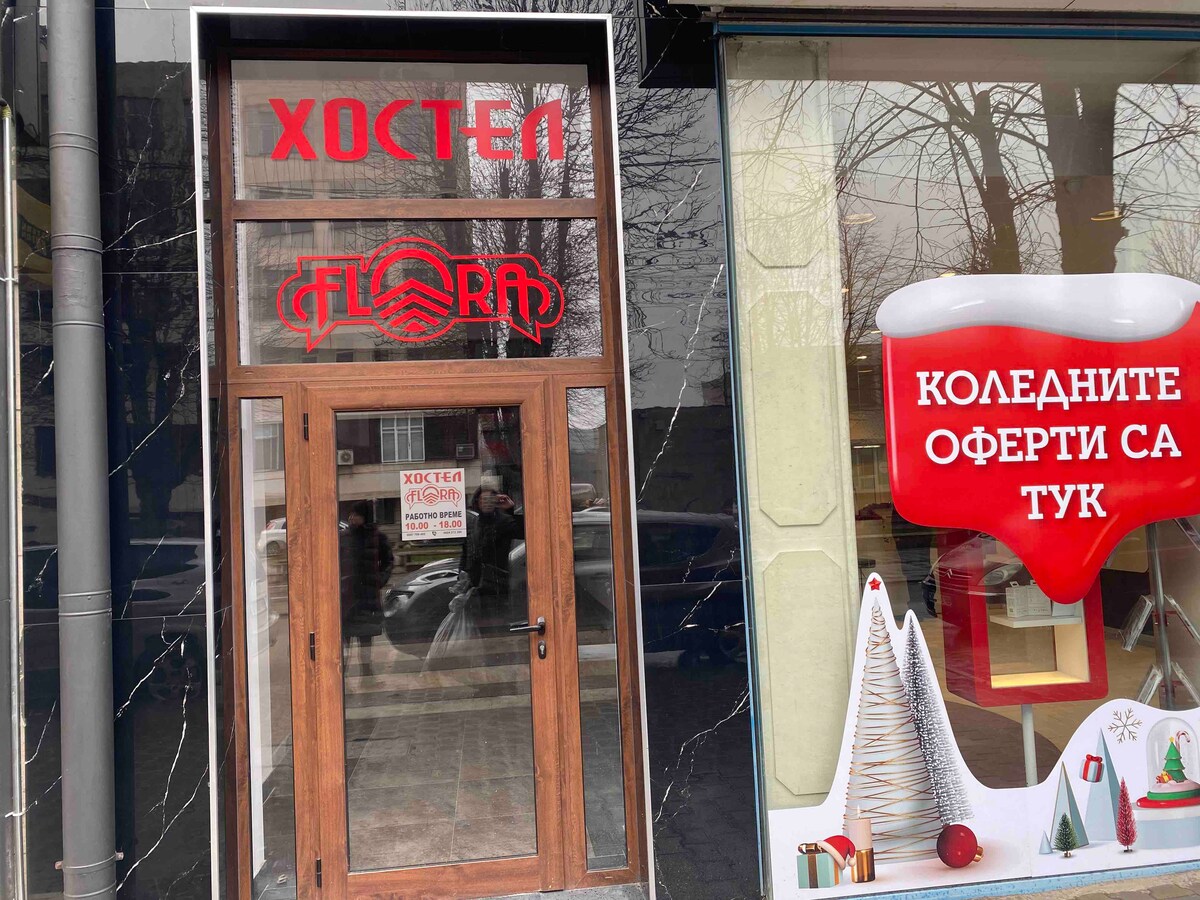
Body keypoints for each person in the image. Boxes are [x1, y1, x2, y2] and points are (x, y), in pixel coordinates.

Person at [459, 483, 525, 627]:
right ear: (477, 502)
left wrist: (510, 510)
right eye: (484, 500)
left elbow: (523, 532)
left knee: (497, 624)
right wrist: (462, 576)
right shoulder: (474, 523)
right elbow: (466, 552)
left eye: (491, 499)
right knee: (479, 625)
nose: (487, 503)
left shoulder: (503, 521)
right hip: (476, 586)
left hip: (497, 586)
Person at [340, 500, 394, 674]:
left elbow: (388, 561)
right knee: (344, 638)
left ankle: (366, 669)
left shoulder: (378, 538)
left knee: (365, 636)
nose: (351, 518)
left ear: (365, 517)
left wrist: (379, 580)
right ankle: (342, 672)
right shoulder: (343, 537)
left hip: (367, 596)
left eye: (356, 515)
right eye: (351, 514)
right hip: (347, 596)